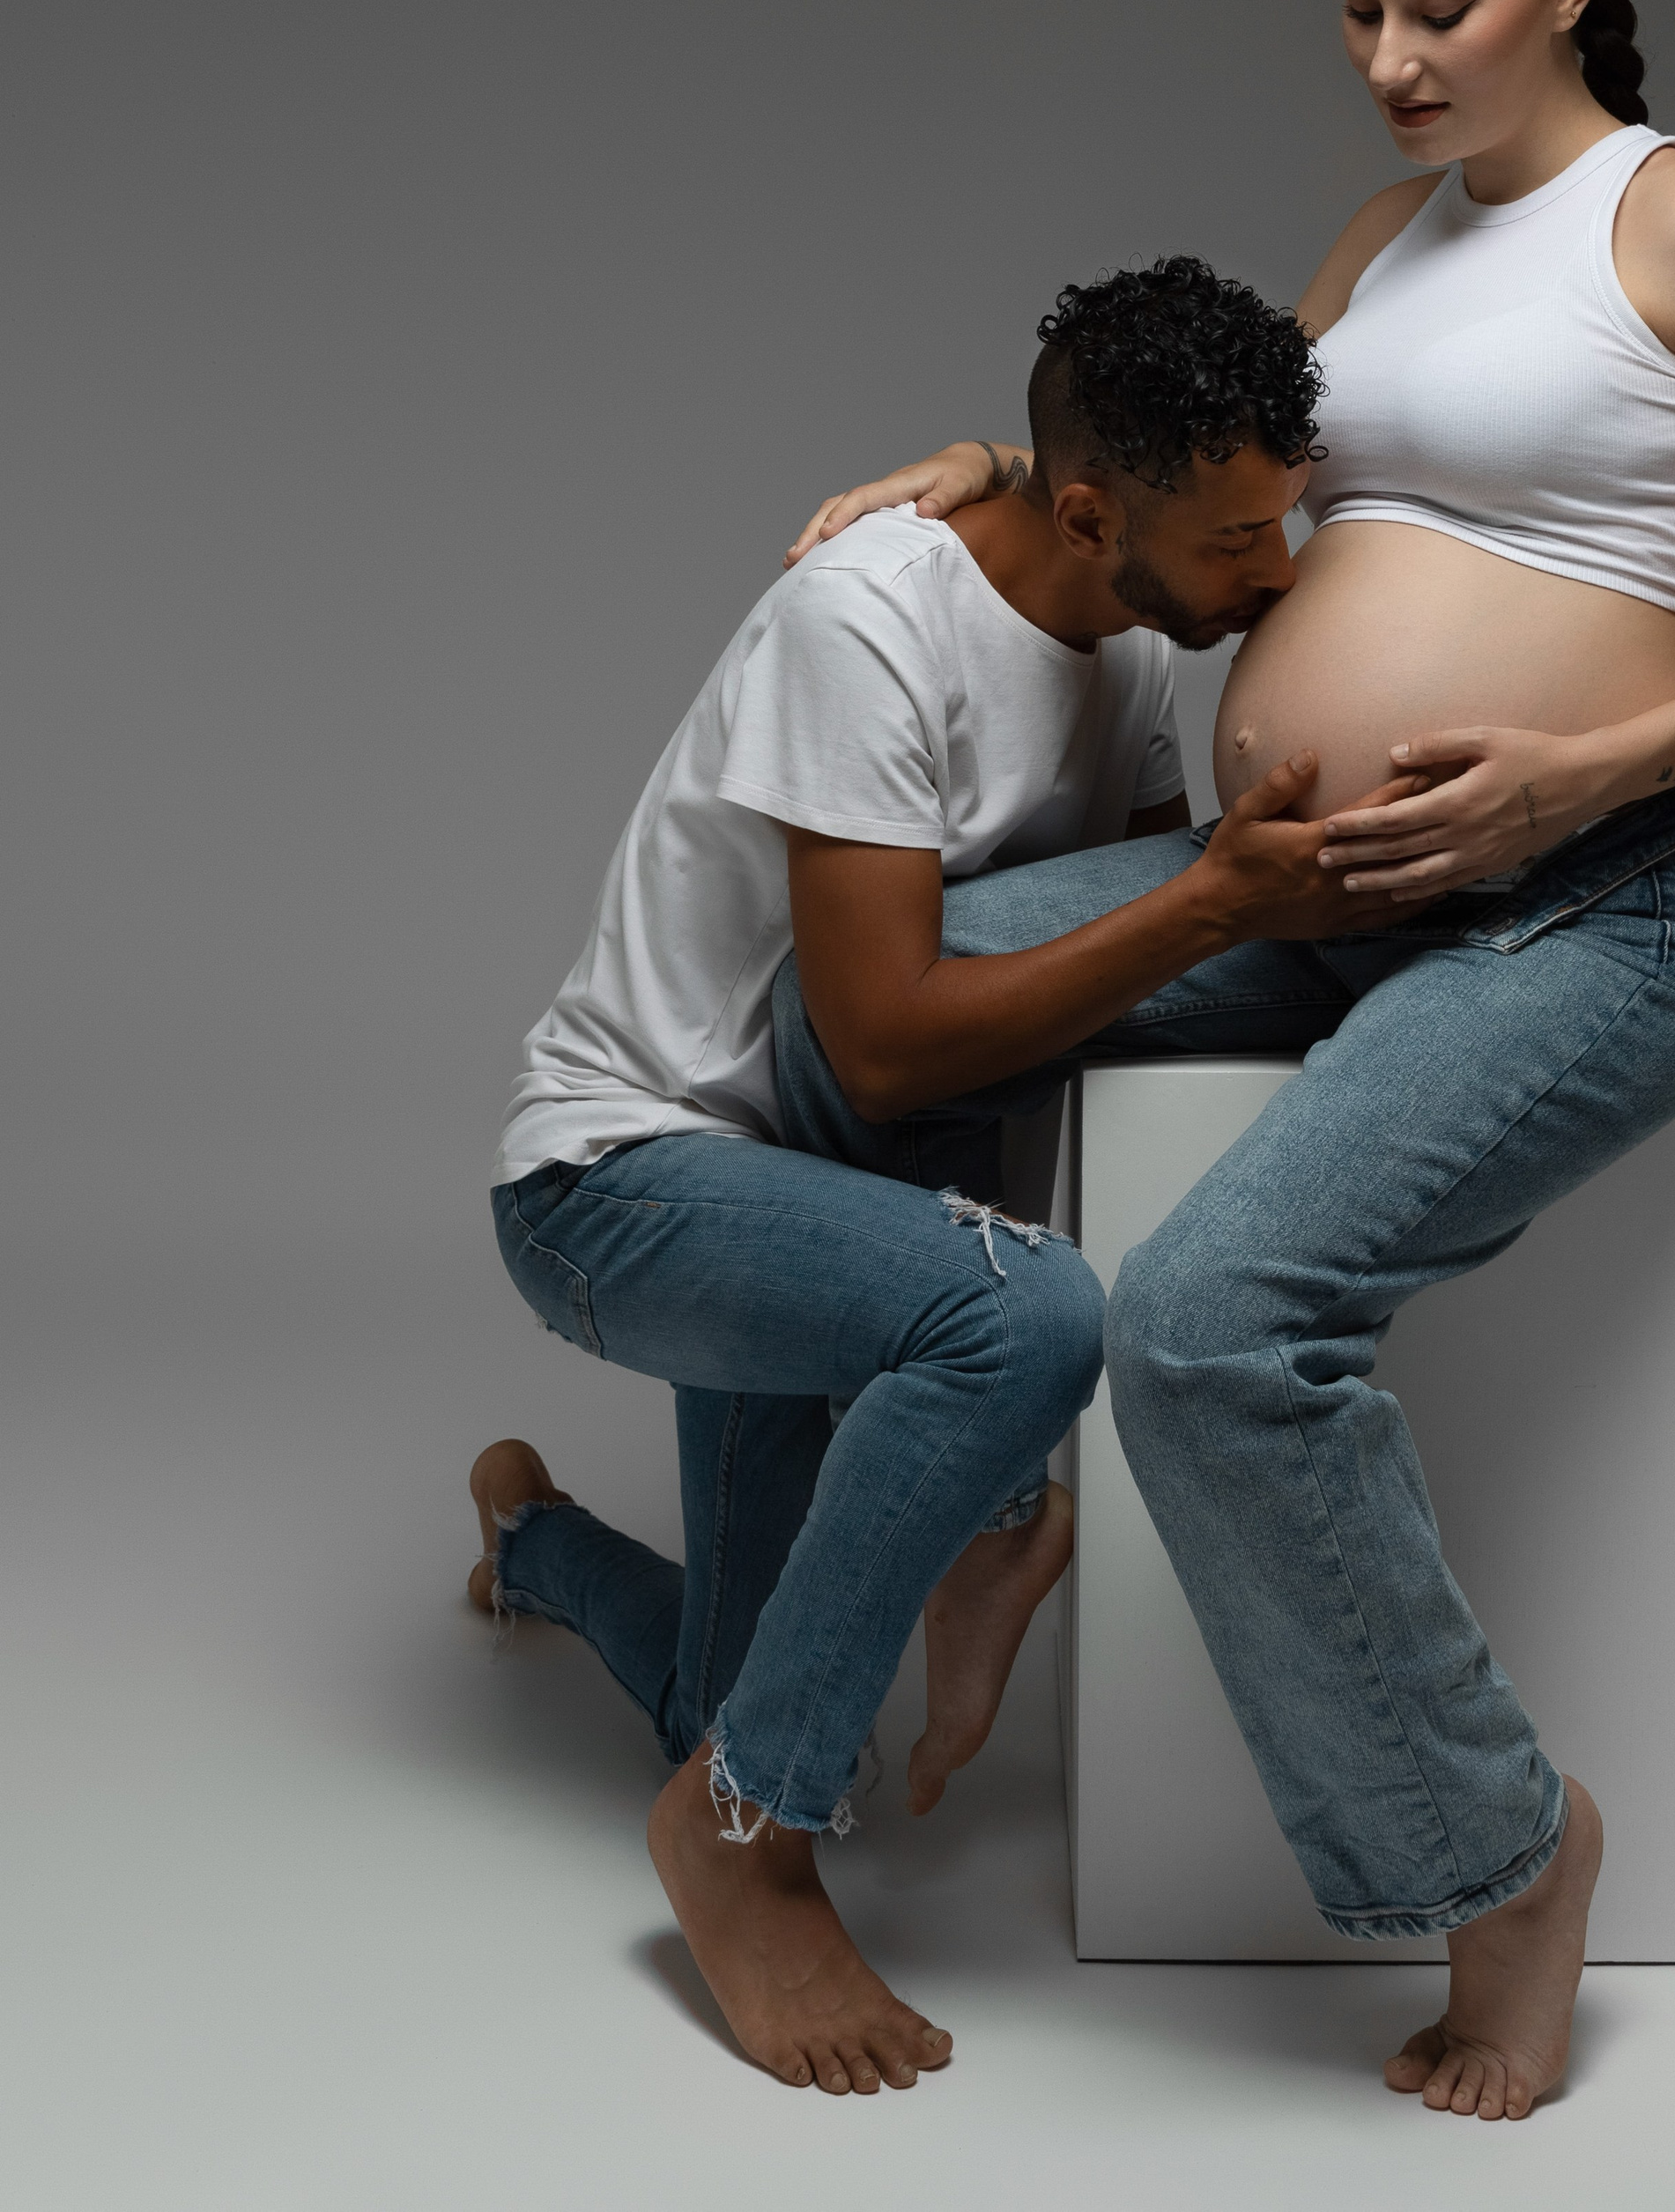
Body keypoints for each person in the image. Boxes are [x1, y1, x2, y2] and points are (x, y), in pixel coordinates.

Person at [780, 0, 1675, 2123]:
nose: (1392, 58)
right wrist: (1005, 478)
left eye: (1442, 7)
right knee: (861, 1021)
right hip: (1301, 890)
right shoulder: (1379, 241)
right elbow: (1232, 511)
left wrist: (1580, 772)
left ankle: (1501, 1857)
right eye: (1356, 9)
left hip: (1582, 915)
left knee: (1211, 1326)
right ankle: (995, 1501)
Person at [474, 257, 1405, 2097]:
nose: (1279, 572)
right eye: (1238, 539)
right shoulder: (864, 620)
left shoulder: (1134, 644)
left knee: (716, 1702)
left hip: (829, 1195)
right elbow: (892, 1042)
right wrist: (1217, 902)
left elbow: (1104, 975)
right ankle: (748, 1838)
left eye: (1281, 521)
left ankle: (528, 1537)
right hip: (629, 1181)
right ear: (1090, 514)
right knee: (1026, 1321)